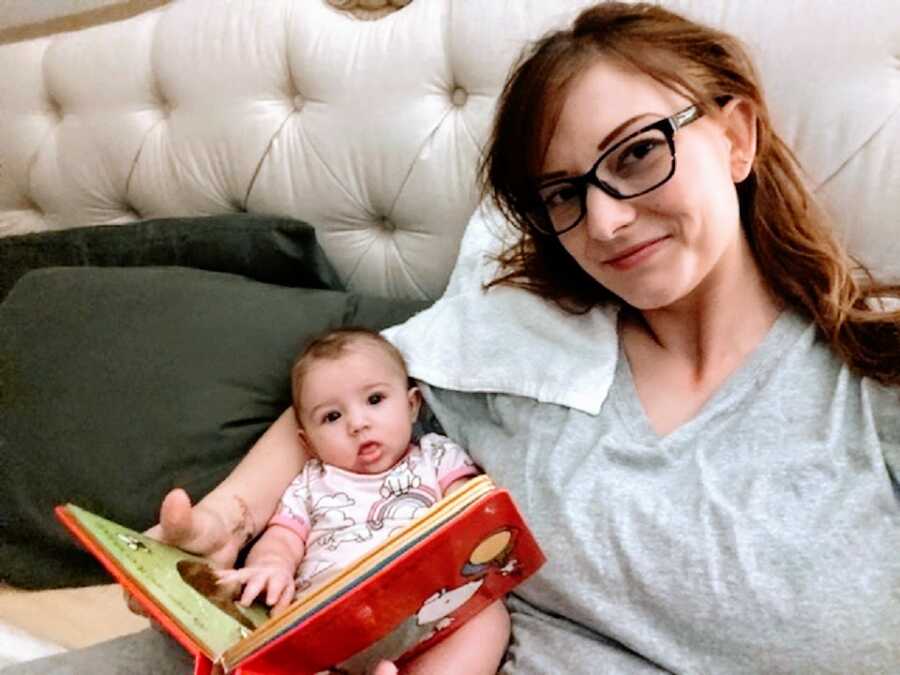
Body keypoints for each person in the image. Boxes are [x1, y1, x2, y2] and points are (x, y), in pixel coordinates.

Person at [12, 3, 898, 674]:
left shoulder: (872, 382)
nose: (606, 220)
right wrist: (226, 522)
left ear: (737, 134)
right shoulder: (528, 332)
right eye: (562, 193)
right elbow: (353, 394)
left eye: (636, 153)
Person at [210, 327, 508, 674]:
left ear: (411, 406)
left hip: (431, 607)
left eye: (375, 400)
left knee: (489, 618)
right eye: (332, 417)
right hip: (336, 618)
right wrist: (272, 565)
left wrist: (470, 520)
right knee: (284, 636)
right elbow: (282, 538)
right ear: (308, 442)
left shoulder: (435, 456)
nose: (358, 423)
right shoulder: (311, 483)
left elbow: (469, 503)